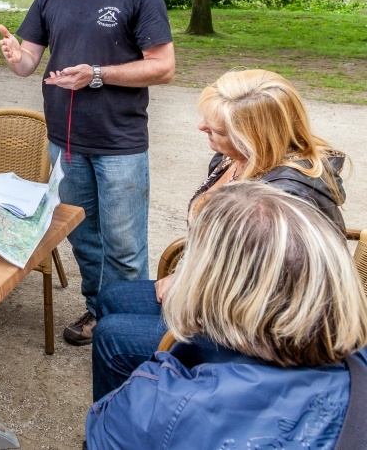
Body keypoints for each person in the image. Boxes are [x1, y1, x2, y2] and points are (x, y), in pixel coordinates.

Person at [91, 68, 348, 401]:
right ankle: (144, 395)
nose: (201, 127)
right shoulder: (237, 159)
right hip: (220, 295)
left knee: (112, 338)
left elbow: (263, 297)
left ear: (252, 137)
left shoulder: (284, 201)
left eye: (216, 129)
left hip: (264, 335)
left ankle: (132, 419)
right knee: (112, 295)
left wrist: (190, 291)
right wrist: (185, 275)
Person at [0, 0, 175, 346]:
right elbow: (29, 62)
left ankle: (129, 330)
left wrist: (97, 74)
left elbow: (163, 67)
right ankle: (99, 311)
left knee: (125, 246)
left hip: (120, 143)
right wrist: (16, 57)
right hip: (65, 143)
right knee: (84, 238)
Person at [86, 182, 367, 449]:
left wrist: (168, 365)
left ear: (212, 285)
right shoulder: (357, 363)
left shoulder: (157, 405)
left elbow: (105, 434)